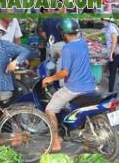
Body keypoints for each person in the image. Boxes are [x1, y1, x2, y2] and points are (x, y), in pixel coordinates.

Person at [41, 18, 96, 152]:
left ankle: (56, 142)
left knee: (50, 109)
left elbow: (65, 72)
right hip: (90, 85)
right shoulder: (82, 43)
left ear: (63, 33)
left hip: (75, 88)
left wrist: (50, 78)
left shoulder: (67, 48)